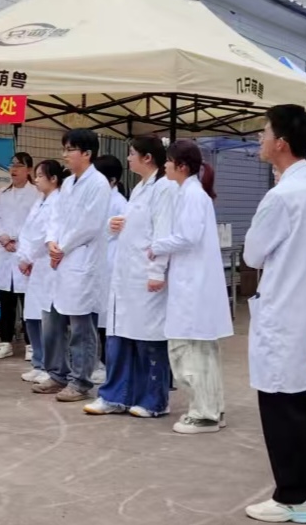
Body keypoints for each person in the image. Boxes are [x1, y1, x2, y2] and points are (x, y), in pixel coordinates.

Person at [242, 105, 306, 523]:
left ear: (281, 143)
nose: (260, 139)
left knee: (281, 404)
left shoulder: (281, 196)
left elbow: (252, 254)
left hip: (284, 309)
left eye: (264, 133)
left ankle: (291, 495)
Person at [85, 136, 177, 418]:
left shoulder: (164, 188)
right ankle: (116, 396)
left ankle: (154, 400)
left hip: (146, 277)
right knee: (121, 337)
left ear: (147, 158)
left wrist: (157, 272)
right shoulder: (139, 188)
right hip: (126, 276)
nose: (128, 159)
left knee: (149, 340)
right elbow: (138, 226)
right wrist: (116, 225)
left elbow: (163, 232)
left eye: (132, 154)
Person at [148, 139, 234, 434]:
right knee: (201, 351)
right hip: (192, 283)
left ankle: (204, 414)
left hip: (193, 286)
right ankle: (212, 408)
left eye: (168, 161)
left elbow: (188, 236)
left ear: (182, 166)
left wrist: (156, 246)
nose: (165, 165)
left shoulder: (192, 196)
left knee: (187, 351)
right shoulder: (190, 193)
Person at [34, 130, 110, 403]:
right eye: (64, 149)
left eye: (70, 149)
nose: (64, 154)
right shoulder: (67, 184)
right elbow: (55, 217)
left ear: (87, 153)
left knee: (80, 327)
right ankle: (57, 374)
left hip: (81, 261)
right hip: (61, 261)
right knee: (52, 323)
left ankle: (80, 381)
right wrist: (51, 242)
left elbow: (89, 225)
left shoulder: (98, 184)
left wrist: (63, 247)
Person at [18, 160, 67, 384]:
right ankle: (38, 362)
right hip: (35, 264)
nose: (36, 179)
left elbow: (44, 235)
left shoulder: (58, 201)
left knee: (48, 319)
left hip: (48, 264)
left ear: (53, 179)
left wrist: (27, 257)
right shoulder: (40, 201)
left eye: (39, 175)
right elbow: (27, 230)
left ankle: (50, 365)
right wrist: (24, 256)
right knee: (32, 316)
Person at [0, 152, 38, 360]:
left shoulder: (36, 194)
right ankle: (5, 341)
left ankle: (31, 344)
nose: (14, 169)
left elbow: (37, 223)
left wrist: (18, 240)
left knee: (28, 303)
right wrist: (3, 237)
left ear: (29, 170)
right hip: (5, 250)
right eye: (12, 165)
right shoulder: (2, 193)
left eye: (19, 165)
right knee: (6, 301)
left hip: (25, 251)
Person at [92, 153, 129, 384]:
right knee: (98, 318)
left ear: (112, 180)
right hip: (98, 263)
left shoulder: (119, 203)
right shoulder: (100, 199)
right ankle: (99, 363)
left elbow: (106, 232)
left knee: (108, 320)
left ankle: (107, 365)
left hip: (111, 264)